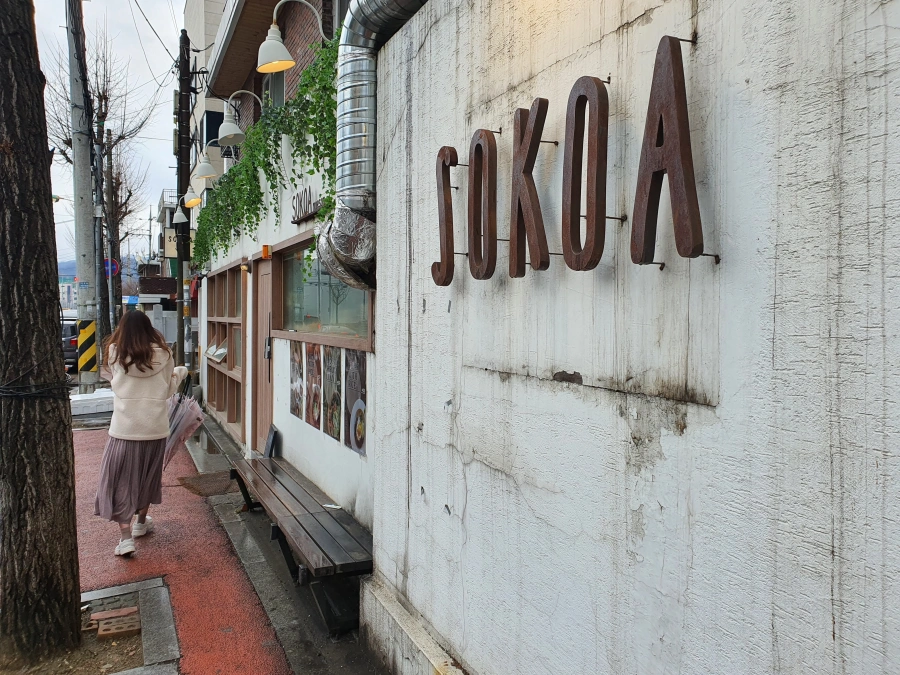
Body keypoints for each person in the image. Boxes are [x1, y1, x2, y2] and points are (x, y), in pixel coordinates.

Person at [95, 311, 187, 557]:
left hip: (124, 430)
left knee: (121, 482)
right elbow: (167, 391)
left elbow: (114, 381)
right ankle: (140, 523)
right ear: (149, 328)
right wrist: (179, 373)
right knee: (147, 477)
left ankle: (126, 539)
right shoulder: (164, 354)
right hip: (155, 429)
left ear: (122, 329)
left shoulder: (115, 353)